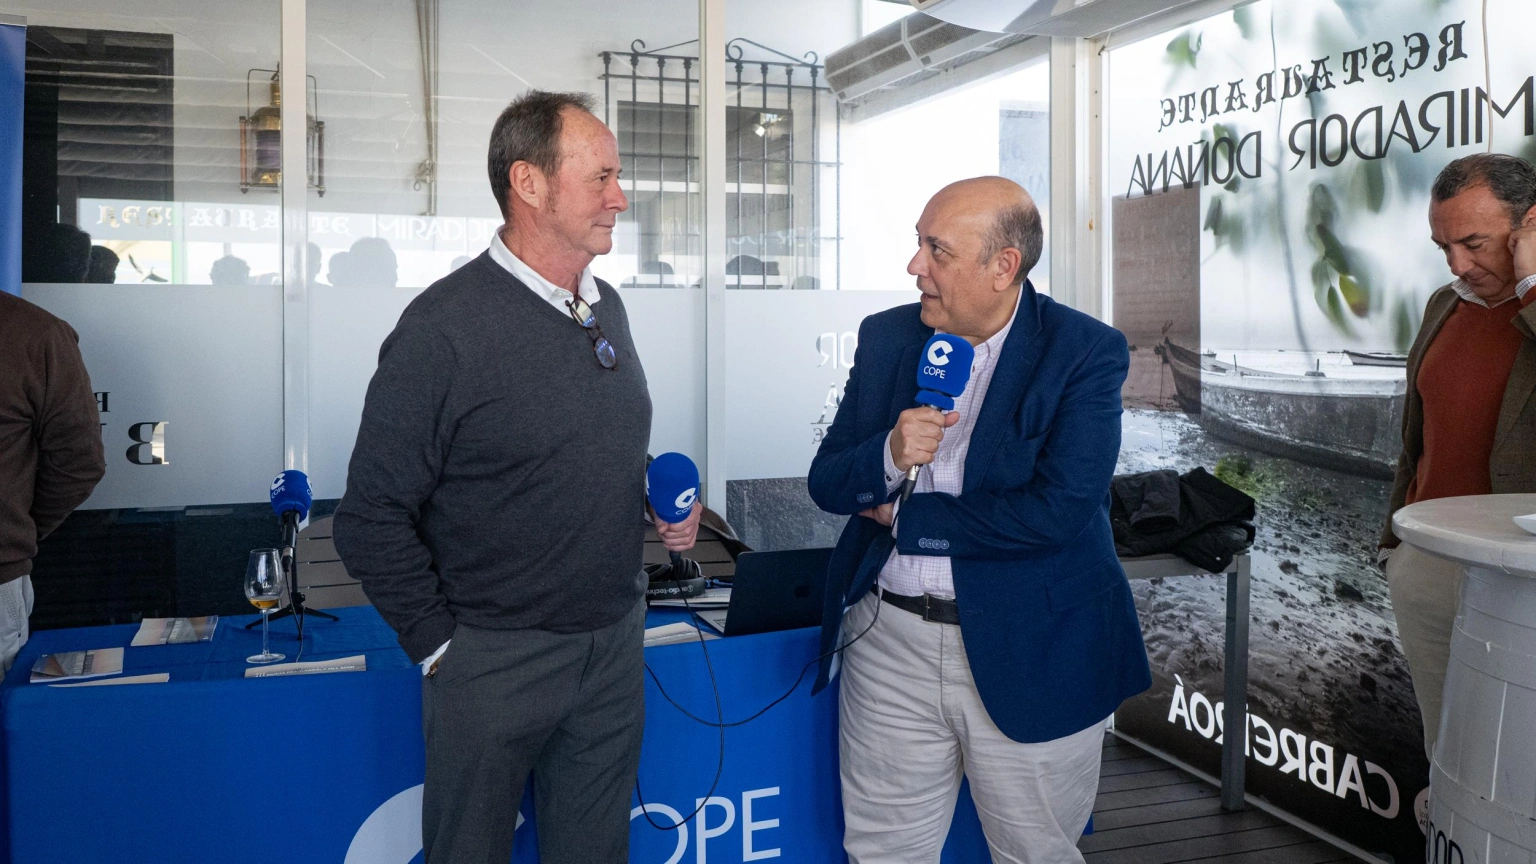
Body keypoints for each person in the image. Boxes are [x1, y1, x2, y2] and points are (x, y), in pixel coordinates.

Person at [332, 90, 700, 864]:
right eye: (600, 177)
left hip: (611, 647)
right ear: (528, 183)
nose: (620, 197)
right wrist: (443, 650)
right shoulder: (442, 330)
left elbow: (574, 445)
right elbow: (370, 517)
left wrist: (650, 497)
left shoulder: (605, 307)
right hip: (492, 661)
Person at [807, 176, 1151, 864]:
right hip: (888, 642)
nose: (915, 266)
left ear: (1003, 266)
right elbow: (829, 480)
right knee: (881, 853)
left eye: (937, 250)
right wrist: (888, 453)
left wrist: (907, 519)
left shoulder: (1085, 351)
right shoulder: (887, 337)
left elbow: (1058, 511)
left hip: (1035, 646)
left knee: (1035, 853)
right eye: (918, 244)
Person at [1380, 152, 1536, 760]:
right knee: (1445, 747)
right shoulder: (1444, 305)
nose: (1457, 265)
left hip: (1516, 573)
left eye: (1474, 243)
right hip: (1426, 560)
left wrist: (1530, 287)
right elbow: (1417, 437)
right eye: (1444, 247)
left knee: (1513, 760)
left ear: (1529, 226)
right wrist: (1393, 544)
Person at [0, 292, 106, 672]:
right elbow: (80, 463)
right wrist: (18, 529)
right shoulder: (35, 332)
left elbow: (78, 463)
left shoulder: (34, 333)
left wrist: (17, 530)